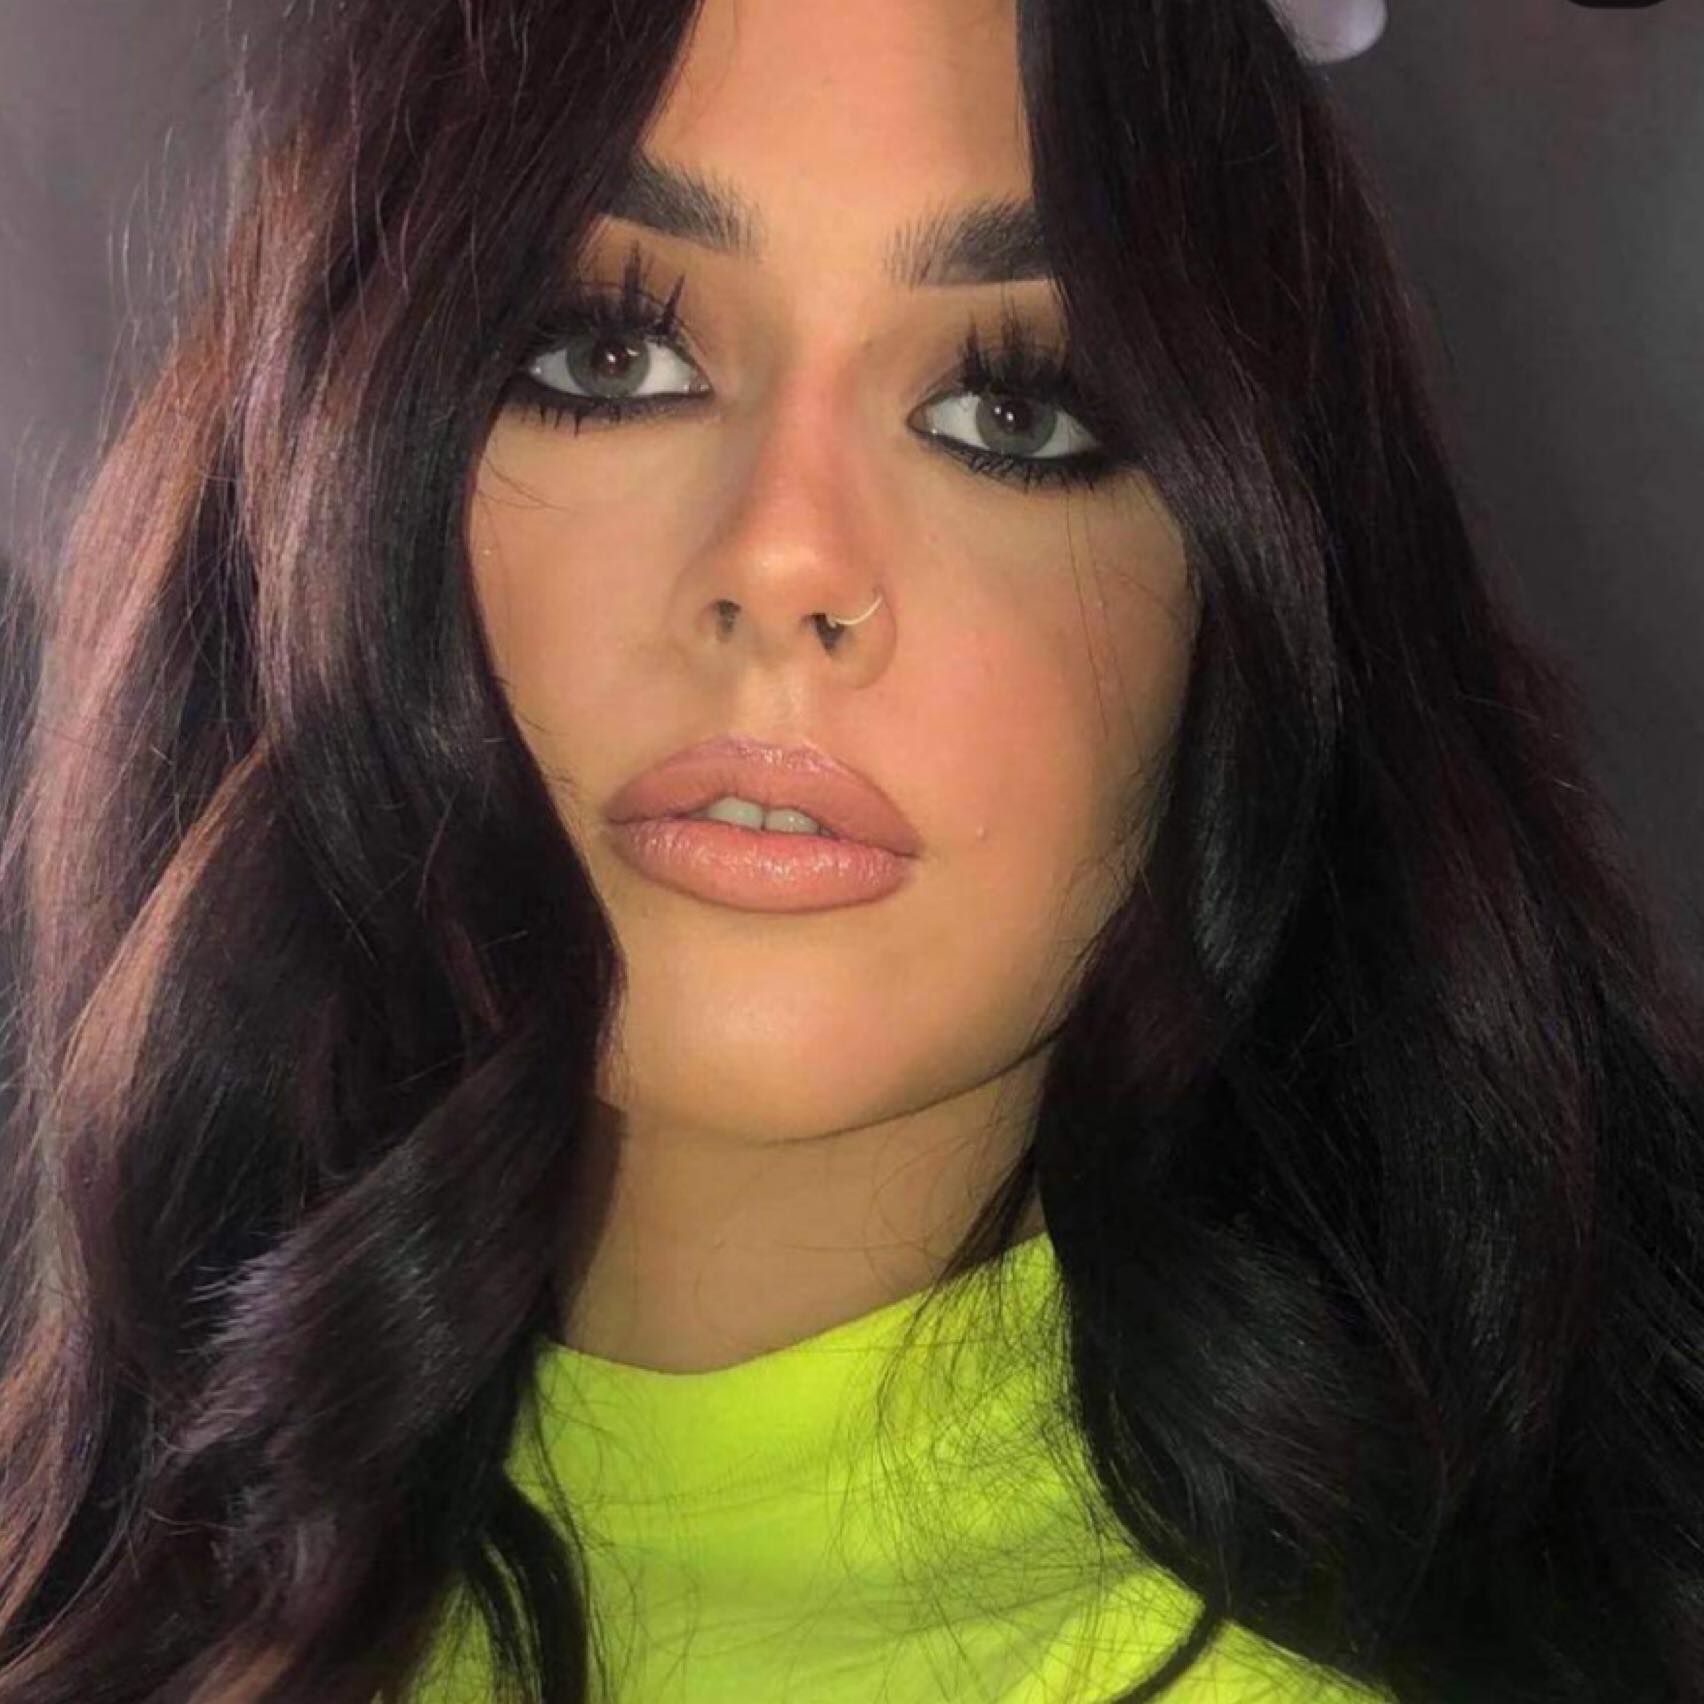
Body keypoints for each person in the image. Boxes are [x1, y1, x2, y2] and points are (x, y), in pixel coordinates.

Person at [1, 0, 1700, 1698]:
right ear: (340, 474)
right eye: (612, 356)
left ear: (1245, 619)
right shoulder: (146, 1524)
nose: (786, 558)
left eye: (1015, 413)